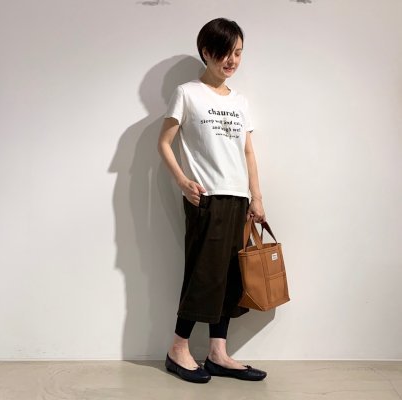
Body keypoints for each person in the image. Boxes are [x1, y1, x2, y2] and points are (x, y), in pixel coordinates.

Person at [157, 18, 268, 383]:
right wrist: (183, 181)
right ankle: (178, 348)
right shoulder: (187, 93)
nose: (232, 60)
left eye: (238, 53)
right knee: (204, 273)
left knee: (230, 276)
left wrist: (256, 197)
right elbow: (164, 143)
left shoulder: (240, 101)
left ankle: (218, 353)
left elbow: (248, 152)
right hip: (206, 197)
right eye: (225, 53)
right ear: (206, 52)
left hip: (238, 198)